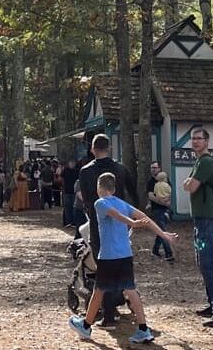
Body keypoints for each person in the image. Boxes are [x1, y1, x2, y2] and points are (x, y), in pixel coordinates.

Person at [67, 172, 177, 344]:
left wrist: (131, 223)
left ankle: (86, 326)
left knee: (98, 291)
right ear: (114, 188)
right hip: (125, 255)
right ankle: (143, 329)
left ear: (99, 187)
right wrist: (162, 234)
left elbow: (113, 214)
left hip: (109, 256)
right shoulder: (123, 203)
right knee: (130, 291)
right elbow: (145, 218)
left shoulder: (100, 202)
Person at [76, 134, 131, 325]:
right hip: (121, 223)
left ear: (92, 149)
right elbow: (133, 194)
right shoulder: (121, 169)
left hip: (98, 224)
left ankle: (108, 313)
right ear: (109, 148)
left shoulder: (85, 171)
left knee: (103, 267)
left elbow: (84, 199)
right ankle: (125, 300)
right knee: (122, 263)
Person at [183, 128, 213, 326]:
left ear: (207, 141)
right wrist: (189, 182)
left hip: (207, 221)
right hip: (200, 221)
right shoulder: (199, 162)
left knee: (208, 265)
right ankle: (212, 305)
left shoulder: (206, 162)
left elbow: (190, 186)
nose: (195, 142)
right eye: (193, 139)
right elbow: (189, 184)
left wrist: (189, 182)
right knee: (202, 264)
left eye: (199, 139)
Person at [147, 171, 174, 261]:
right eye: (152, 168)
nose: (154, 169)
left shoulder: (156, 185)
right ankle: (168, 253)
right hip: (162, 208)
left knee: (161, 231)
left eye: (155, 168)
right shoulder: (166, 185)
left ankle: (155, 250)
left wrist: (159, 199)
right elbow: (170, 192)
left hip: (160, 208)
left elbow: (153, 194)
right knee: (163, 231)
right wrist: (166, 201)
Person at [61, 160, 79, 228]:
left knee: (74, 207)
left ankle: (74, 222)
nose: (72, 164)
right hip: (66, 191)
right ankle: (68, 222)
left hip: (74, 192)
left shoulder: (77, 171)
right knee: (67, 207)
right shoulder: (65, 170)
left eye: (73, 163)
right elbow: (61, 179)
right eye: (71, 162)